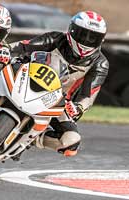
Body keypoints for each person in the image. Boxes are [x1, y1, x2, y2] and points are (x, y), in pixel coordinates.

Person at [9, 11, 109, 157]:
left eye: (93, 38)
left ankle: (29, 139)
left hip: (57, 100)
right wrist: (6, 50)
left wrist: (78, 107)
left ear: (101, 40)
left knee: (71, 142)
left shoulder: (100, 63)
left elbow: (89, 93)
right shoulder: (56, 38)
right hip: (26, 79)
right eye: (83, 34)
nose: (86, 41)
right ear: (72, 31)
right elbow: (24, 46)